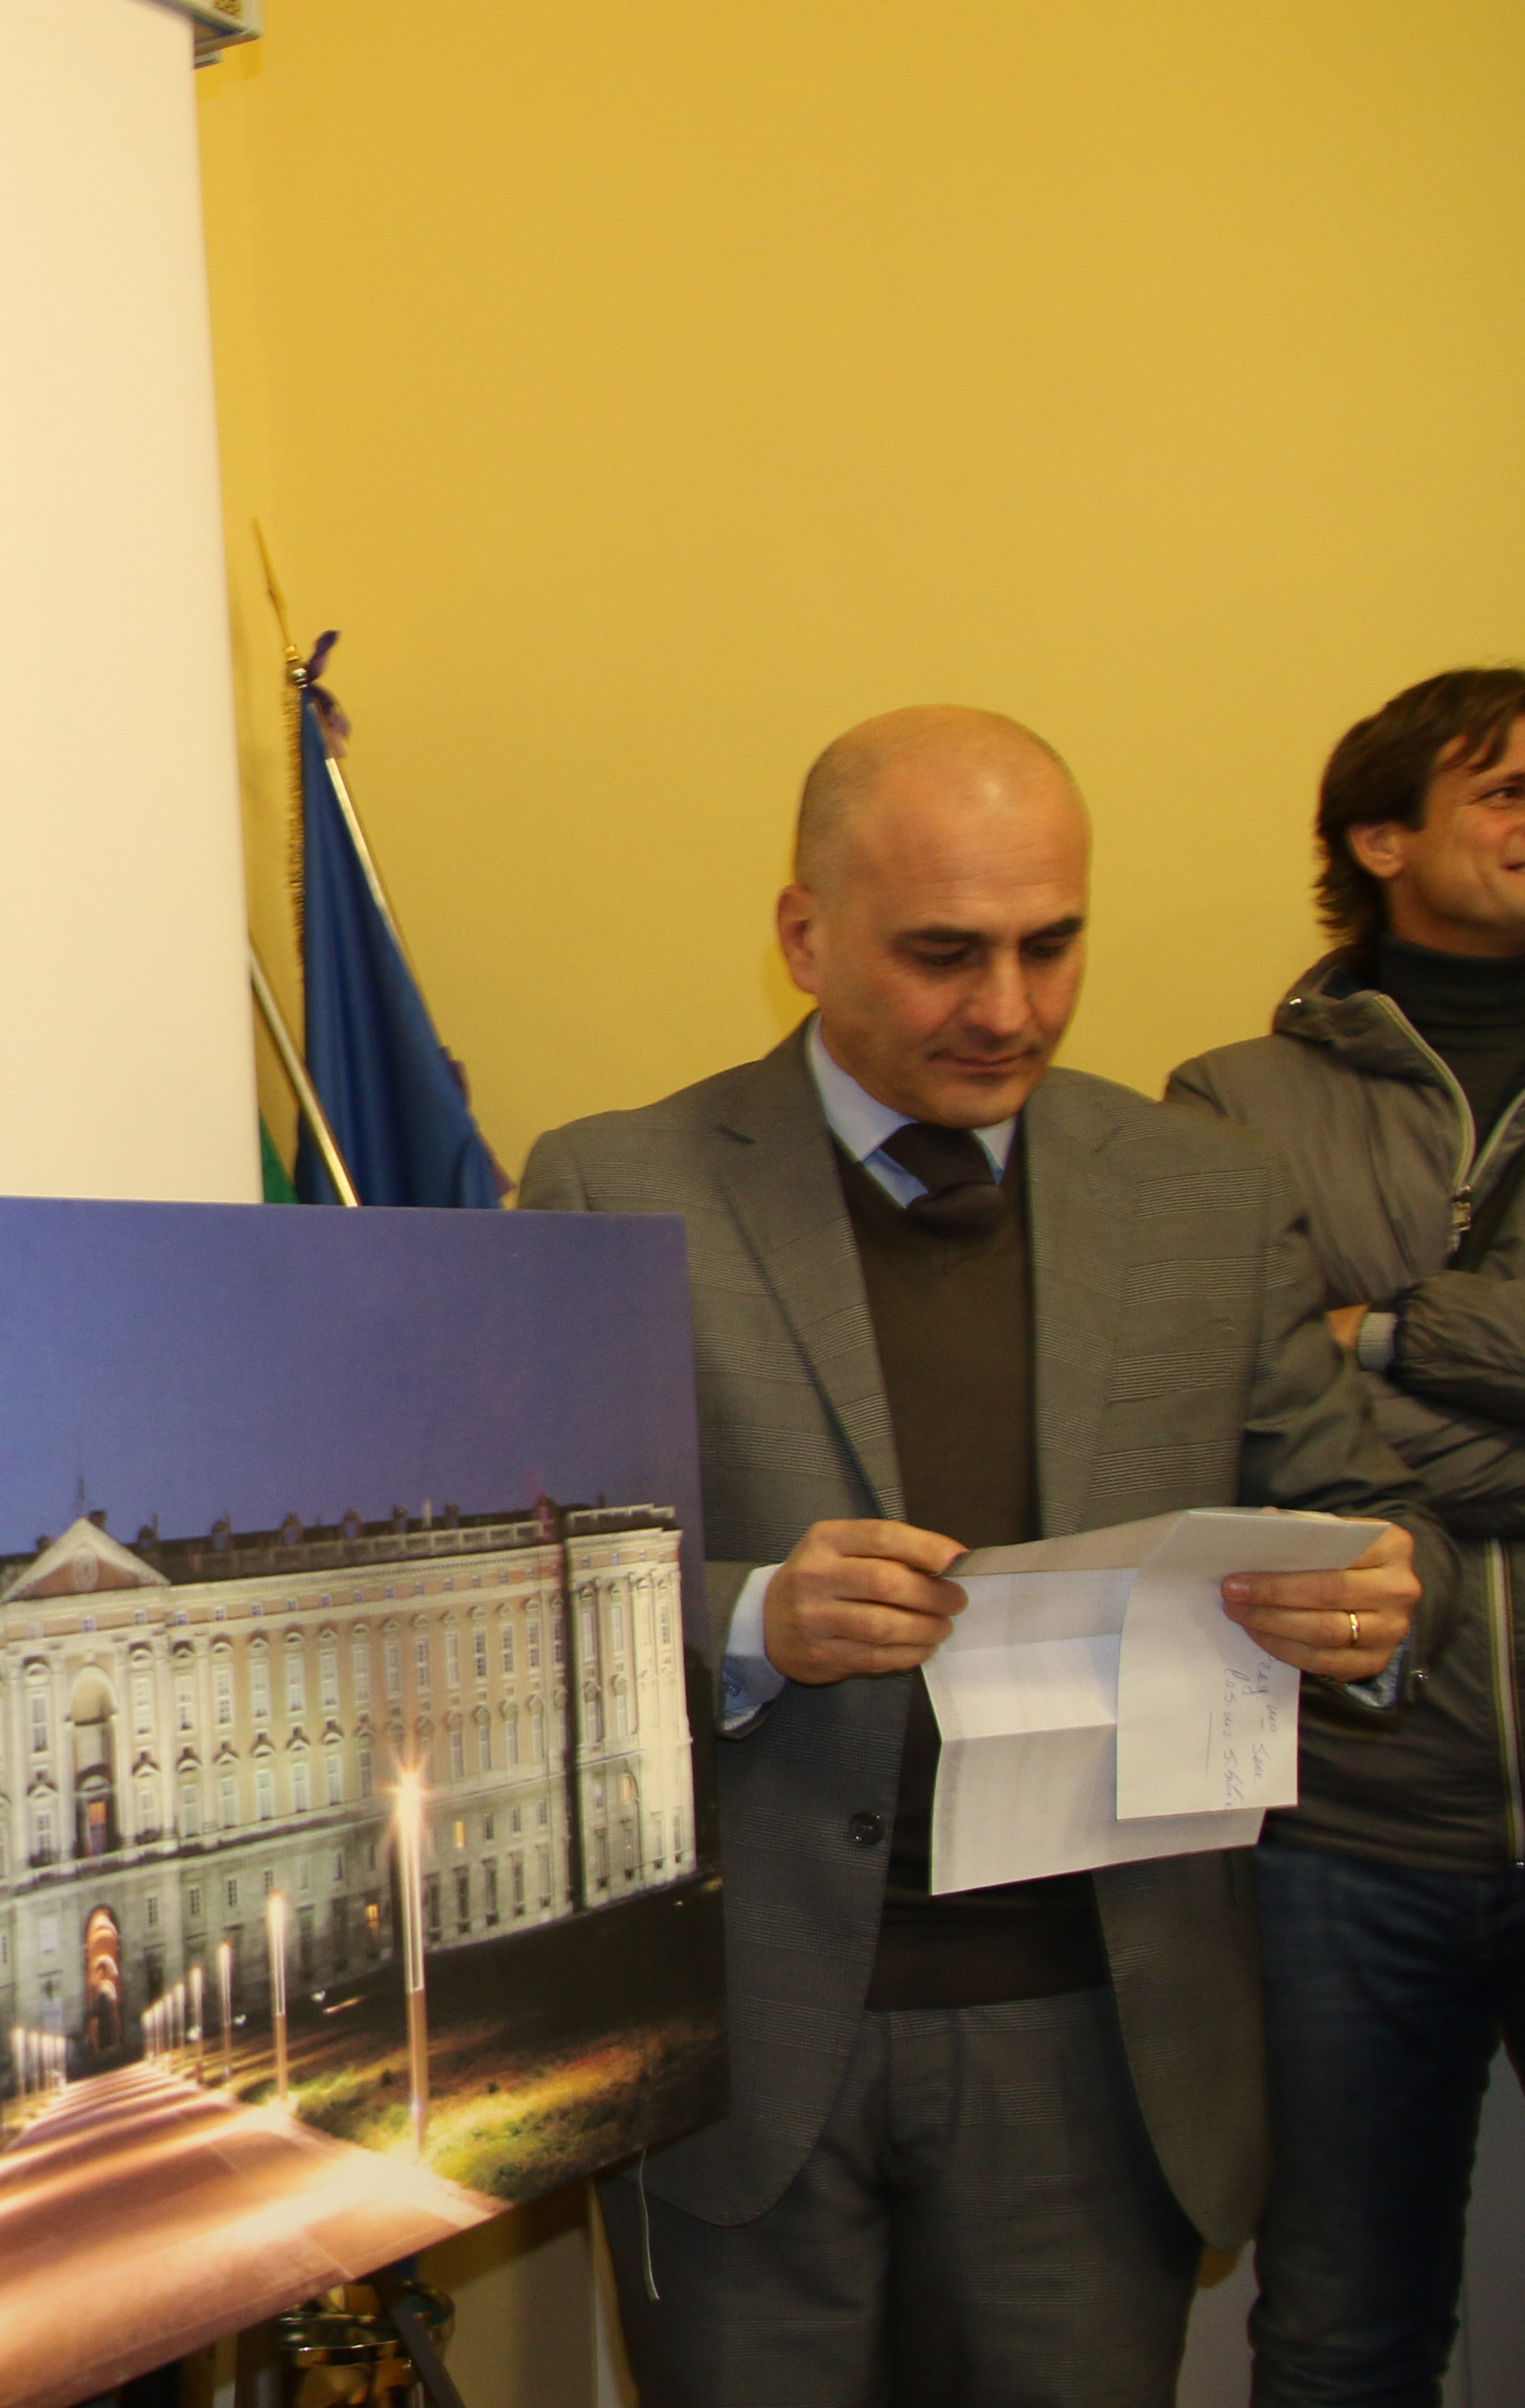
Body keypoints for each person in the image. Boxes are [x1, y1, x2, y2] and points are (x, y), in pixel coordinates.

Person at [518, 706, 1436, 2408]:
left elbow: (1368, 1514)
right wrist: (751, 1621)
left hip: (1102, 2043)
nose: (1008, 1008)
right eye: (944, 954)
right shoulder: (613, 1187)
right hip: (749, 2047)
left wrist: (1380, 1603)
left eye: (1051, 945)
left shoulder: (1202, 1197)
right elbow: (518, 1588)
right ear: (803, 935)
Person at [1164, 666, 1525, 2408]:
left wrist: (1376, 1337)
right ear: (1382, 838)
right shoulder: (1230, 1101)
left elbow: (1325, 1411)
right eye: (1510, 793)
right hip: (1346, 1824)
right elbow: (1224, 1428)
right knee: (1343, 2328)